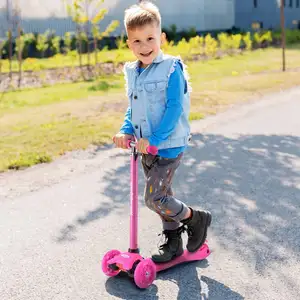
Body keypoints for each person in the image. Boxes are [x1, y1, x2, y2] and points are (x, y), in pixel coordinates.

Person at [113, 1, 211, 264]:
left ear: (162, 38)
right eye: (136, 41)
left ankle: (195, 218)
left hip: (166, 146)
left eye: (150, 39)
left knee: (155, 198)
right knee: (162, 197)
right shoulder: (133, 71)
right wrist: (125, 130)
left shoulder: (171, 69)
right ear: (128, 43)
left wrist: (154, 139)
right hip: (146, 147)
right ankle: (174, 242)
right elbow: (135, 107)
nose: (144, 46)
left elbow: (174, 109)